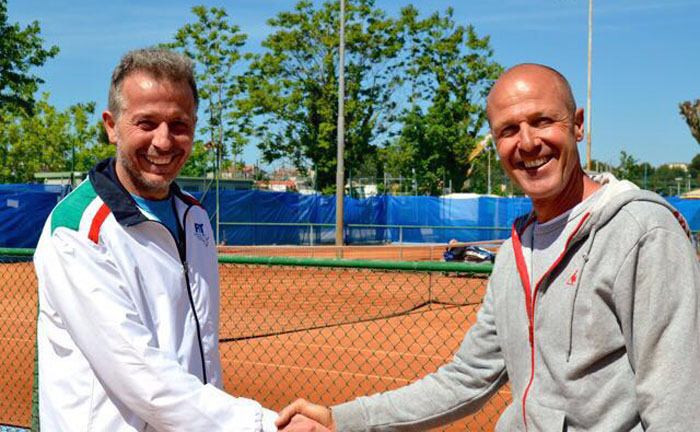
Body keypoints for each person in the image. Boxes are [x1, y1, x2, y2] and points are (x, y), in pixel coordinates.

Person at [275, 63, 700, 431]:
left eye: (543, 121)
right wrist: (342, 420)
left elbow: (678, 408)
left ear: (578, 125)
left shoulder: (643, 231)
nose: (528, 142)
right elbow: (467, 378)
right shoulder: (519, 249)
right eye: (509, 130)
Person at [33, 47, 280, 431]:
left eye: (179, 125)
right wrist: (258, 424)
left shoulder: (194, 215)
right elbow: (140, 375)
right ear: (112, 125)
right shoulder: (79, 229)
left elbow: (202, 354)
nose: (163, 142)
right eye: (146, 123)